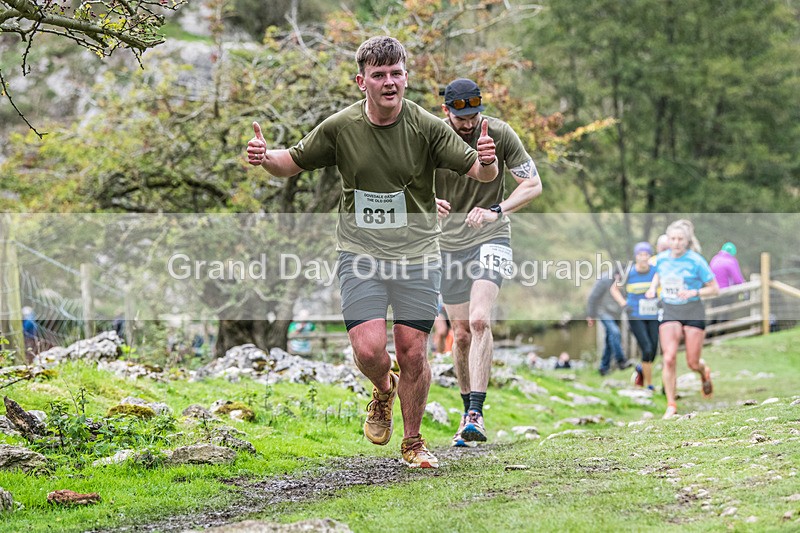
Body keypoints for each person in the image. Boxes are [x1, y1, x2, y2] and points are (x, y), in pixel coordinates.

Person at [246, 37, 499, 468]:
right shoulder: (341, 127)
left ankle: (413, 442)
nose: (389, 82)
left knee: (413, 351)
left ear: (406, 77)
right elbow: (290, 160)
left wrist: (489, 160)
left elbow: (477, 169)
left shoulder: (426, 126)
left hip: (418, 255)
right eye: (379, 75)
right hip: (360, 254)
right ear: (361, 81)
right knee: (367, 350)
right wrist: (263, 156)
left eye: (396, 73)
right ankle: (384, 389)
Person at [434, 78, 542, 447]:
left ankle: (477, 413)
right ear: (446, 111)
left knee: (480, 319)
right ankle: (466, 413)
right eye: (460, 117)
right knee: (460, 333)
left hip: (490, 236)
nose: (468, 124)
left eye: (474, 115)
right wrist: (425, 202)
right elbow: (398, 180)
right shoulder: (430, 136)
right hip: (446, 245)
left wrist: (498, 209)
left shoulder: (498, 132)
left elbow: (533, 184)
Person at [645, 219, 719, 419]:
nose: (676, 243)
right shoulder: (661, 259)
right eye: (673, 239)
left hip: (693, 310)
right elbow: (657, 274)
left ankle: (703, 372)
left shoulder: (696, 260)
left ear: (687, 241)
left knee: (692, 363)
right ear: (667, 240)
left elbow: (715, 288)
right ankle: (671, 404)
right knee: (668, 358)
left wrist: (694, 291)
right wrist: (652, 288)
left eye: (680, 239)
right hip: (670, 310)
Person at [610, 242, 659, 390]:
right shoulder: (629, 273)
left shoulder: (656, 271)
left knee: (654, 350)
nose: (643, 258)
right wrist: (624, 304)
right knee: (647, 348)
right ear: (636, 256)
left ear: (650, 256)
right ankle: (649, 385)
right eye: (640, 255)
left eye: (646, 255)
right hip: (636, 314)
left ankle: (640, 369)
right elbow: (614, 289)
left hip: (652, 313)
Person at [587, 272, 632, 376]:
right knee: (615, 333)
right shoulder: (604, 280)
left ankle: (603, 367)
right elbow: (593, 297)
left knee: (609, 339)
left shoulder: (625, 282)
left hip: (616, 313)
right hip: (603, 311)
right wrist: (591, 315)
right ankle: (621, 361)